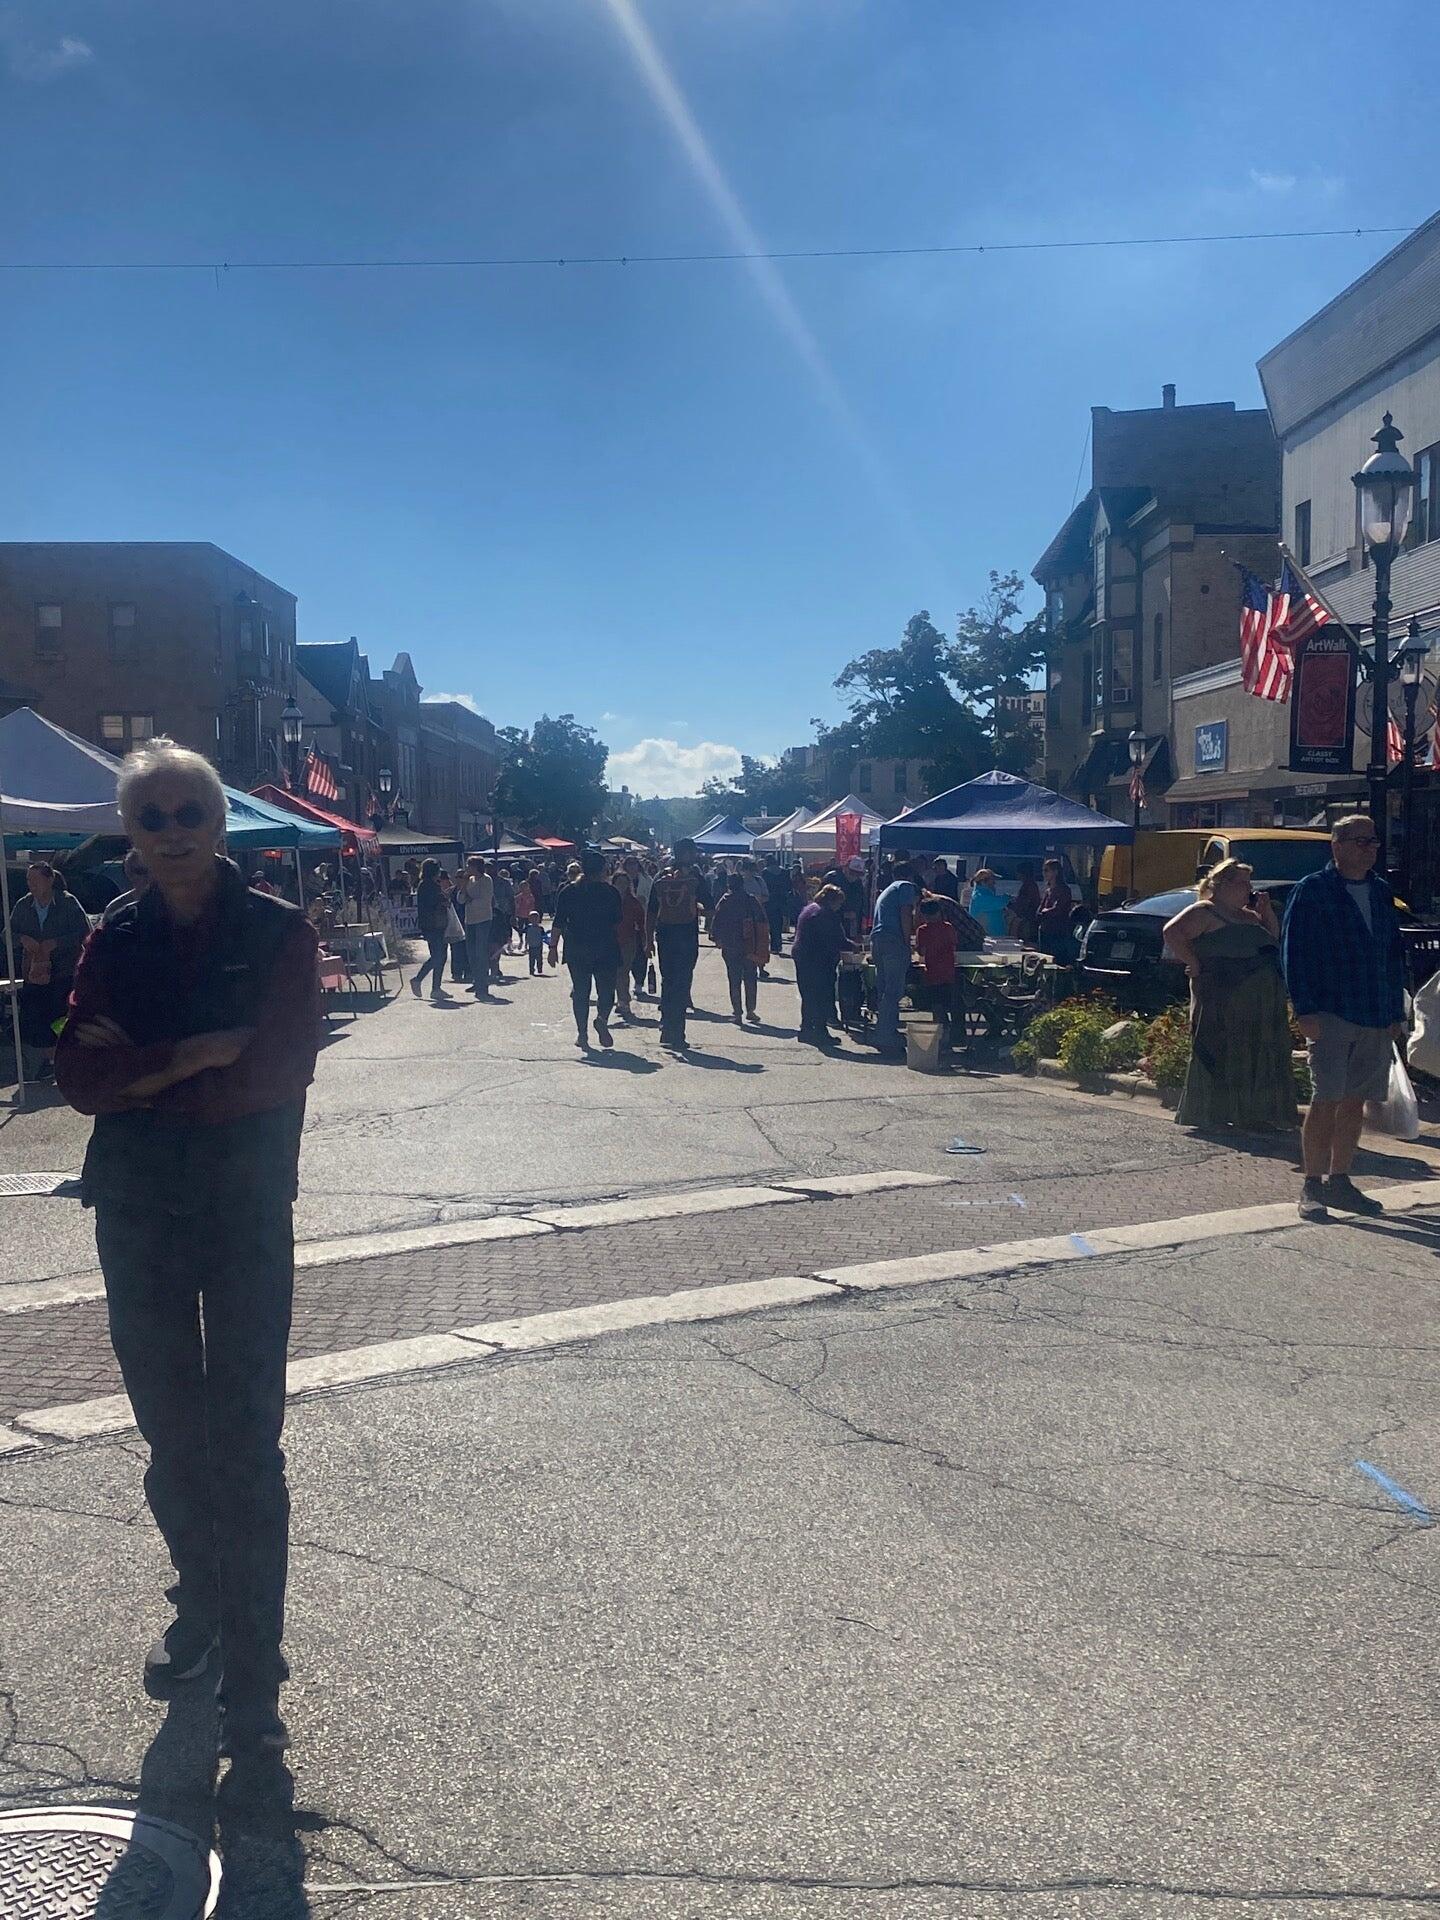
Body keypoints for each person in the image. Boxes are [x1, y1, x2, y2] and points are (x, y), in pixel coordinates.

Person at [54, 737, 320, 1799]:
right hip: (138, 1211)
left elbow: (276, 1068)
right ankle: (200, 1604)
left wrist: (142, 1076)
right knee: (171, 1429)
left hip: (246, 1208)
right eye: (151, 817)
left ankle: (255, 1670)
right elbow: (78, 1073)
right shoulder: (109, 933)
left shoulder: (278, 931)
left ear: (221, 823)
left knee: (246, 1437)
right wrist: (182, 1058)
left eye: (189, 814)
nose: (171, 834)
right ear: (131, 831)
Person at [1281, 814, 1406, 1221]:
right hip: (1331, 1012)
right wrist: (1304, 1010)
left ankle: (1341, 1180)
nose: (1369, 849)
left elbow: (1392, 954)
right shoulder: (1313, 891)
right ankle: (1312, 1184)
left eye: (1373, 842)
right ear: (1336, 845)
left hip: (1374, 1013)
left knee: (1356, 1101)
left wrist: (1394, 1012)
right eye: (1360, 841)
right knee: (1327, 1099)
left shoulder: (1382, 892)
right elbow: (1294, 953)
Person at [1163, 860, 1298, 1136]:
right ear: (1222, 885)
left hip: (1261, 999)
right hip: (1223, 996)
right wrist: (1194, 963)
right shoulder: (1204, 911)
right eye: (1242, 883)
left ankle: (1255, 1113)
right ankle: (1215, 1111)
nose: (1248, 889)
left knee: (1257, 1051)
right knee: (1225, 1048)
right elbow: (1172, 933)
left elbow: (1272, 939)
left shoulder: (1249, 916)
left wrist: (1266, 913)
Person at [8, 861, 92, 1082]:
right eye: (28, 880)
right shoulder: (23, 905)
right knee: (37, 1019)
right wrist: (22, 939)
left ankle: (61, 1061)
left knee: (61, 1019)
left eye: (36, 880)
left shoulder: (67, 903)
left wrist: (56, 943)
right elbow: (7, 935)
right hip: (34, 973)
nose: (31, 885)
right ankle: (51, 1060)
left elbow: (84, 932)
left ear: (49, 880)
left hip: (63, 972)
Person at [550, 848, 622, 1049]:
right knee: (606, 990)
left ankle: (582, 1034)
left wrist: (553, 947)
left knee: (581, 992)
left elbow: (558, 922)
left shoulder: (569, 891)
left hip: (577, 948)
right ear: (602, 871)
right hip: (606, 946)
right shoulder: (610, 892)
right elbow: (617, 922)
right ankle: (602, 1019)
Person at [646, 838, 706, 1051]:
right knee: (683, 982)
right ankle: (678, 1032)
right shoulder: (696, 877)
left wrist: (647, 938)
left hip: (665, 934)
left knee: (668, 980)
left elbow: (651, 910)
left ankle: (666, 1026)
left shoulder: (661, 876)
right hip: (687, 936)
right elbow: (709, 906)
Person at [792, 883, 855, 1044]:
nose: (839, 907)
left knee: (808, 995)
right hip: (817, 959)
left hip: (803, 955)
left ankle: (806, 1029)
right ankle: (820, 1031)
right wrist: (854, 947)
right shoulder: (824, 914)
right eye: (839, 903)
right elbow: (834, 938)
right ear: (832, 901)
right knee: (822, 995)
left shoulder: (810, 908)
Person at [869, 858, 919, 1054]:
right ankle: (886, 1034)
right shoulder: (905, 887)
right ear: (910, 875)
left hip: (879, 940)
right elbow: (906, 913)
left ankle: (883, 1028)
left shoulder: (887, 890)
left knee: (884, 987)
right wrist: (908, 942)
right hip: (893, 941)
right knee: (894, 989)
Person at [709, 870, 766, 1025]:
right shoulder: (750, 900)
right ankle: (751, 1010)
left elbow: (716, 919)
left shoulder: (725, 900)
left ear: (729, 885)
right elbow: (762, 919)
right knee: (750, 977)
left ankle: (737, 1011)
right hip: (749, 944)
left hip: (730, 944)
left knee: (733, 978)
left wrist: (716, 938)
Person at [915, 896, 960, 1045]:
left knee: (936, 1006)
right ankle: (953, 1034)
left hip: (932, 973)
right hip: (949, 972)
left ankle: (940, 1034)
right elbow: (953, 946)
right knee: (950, 1004)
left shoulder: (922, 930)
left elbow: (921, 952)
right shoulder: (948, 927)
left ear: (923, 915)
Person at [611, 868, 648, 1020]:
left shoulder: (633, 902)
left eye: (625, 883)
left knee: (623, 971)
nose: (622, 886)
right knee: (613, 973)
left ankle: (624, 1001)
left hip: (628, 940)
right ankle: (620, 999)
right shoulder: (608, 900)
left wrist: (645, 941)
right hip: (610, 940)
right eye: (619, 883)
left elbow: (641, 921)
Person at [410, 858, 450, 1000]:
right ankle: (418, 979)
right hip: (432, 925)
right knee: (437, 956)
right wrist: (443, 900)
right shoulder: (427, 886)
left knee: (442, 956)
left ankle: (436, 988)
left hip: (437, 924)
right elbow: (432, 904)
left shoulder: (431, 884)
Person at [455, 857, 494, 1000]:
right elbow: (460, 899)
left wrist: (469, 899)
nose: (467, 868)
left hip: (483, 919)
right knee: (471, 953)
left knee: (480, 952)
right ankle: (476, 980)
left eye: (469, 866)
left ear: (476, 867)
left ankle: (483, 985)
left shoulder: (486, 880)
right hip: (469, 920)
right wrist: (464, 886)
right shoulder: (469, 881)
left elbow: (485, 900)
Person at [1034, 859, 1076, 960]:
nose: (1044, 873)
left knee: (1057, 959)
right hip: (1044, 930)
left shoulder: (1064, 890)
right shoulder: (1048, 890)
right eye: (1043, 870)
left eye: (1046, 870)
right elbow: (1041, 907)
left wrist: (1044, 912)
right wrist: (1039, 913)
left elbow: (1058, 909)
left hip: (1057, 931)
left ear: (1056, 872)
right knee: (1044, 958)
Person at [101, 848, 153, 926]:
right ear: (129, 874)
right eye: (142, 871)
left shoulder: (171, 901)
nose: (151, 876)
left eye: (154, 869)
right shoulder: (116, 907)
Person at [967, 868, 1009, 940]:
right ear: (983, 882)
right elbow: (999, 903)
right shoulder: (979, 896)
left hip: (994, 936)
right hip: (986, 937)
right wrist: (1007, 897)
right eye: (992, 880)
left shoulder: (987, 895)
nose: (994, 883)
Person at [1007, 861, 1042, 943]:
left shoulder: (1029, 885)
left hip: (1028, 919)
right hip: (1027, 918)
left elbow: (1025, 902)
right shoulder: (1028, 884)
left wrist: (1011, 906)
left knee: (1025, 941)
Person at [525, 912, 547, 976]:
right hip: (531, 945)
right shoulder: (528, 927)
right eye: (532, 918)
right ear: (529, 919)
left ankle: (540, 970)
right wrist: (526, 944)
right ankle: (531, 970)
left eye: (536, 918)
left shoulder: (540, 928)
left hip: (539, 945)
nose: (534, 920)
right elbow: (525, 935)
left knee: (539, 959)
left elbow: (544, 936)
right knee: (531, 959)